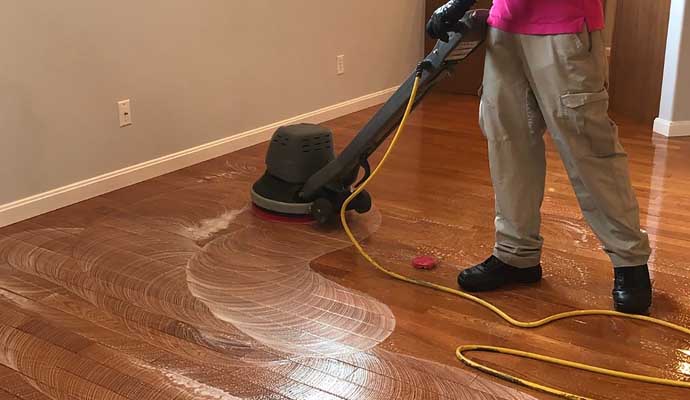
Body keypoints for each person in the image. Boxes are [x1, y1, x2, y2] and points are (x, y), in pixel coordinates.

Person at [427, 0, 653, 314]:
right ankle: (515, 254)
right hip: (505, 27)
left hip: (564, 27)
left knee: (588, 147)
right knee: (508, 144)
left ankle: (630, 262)